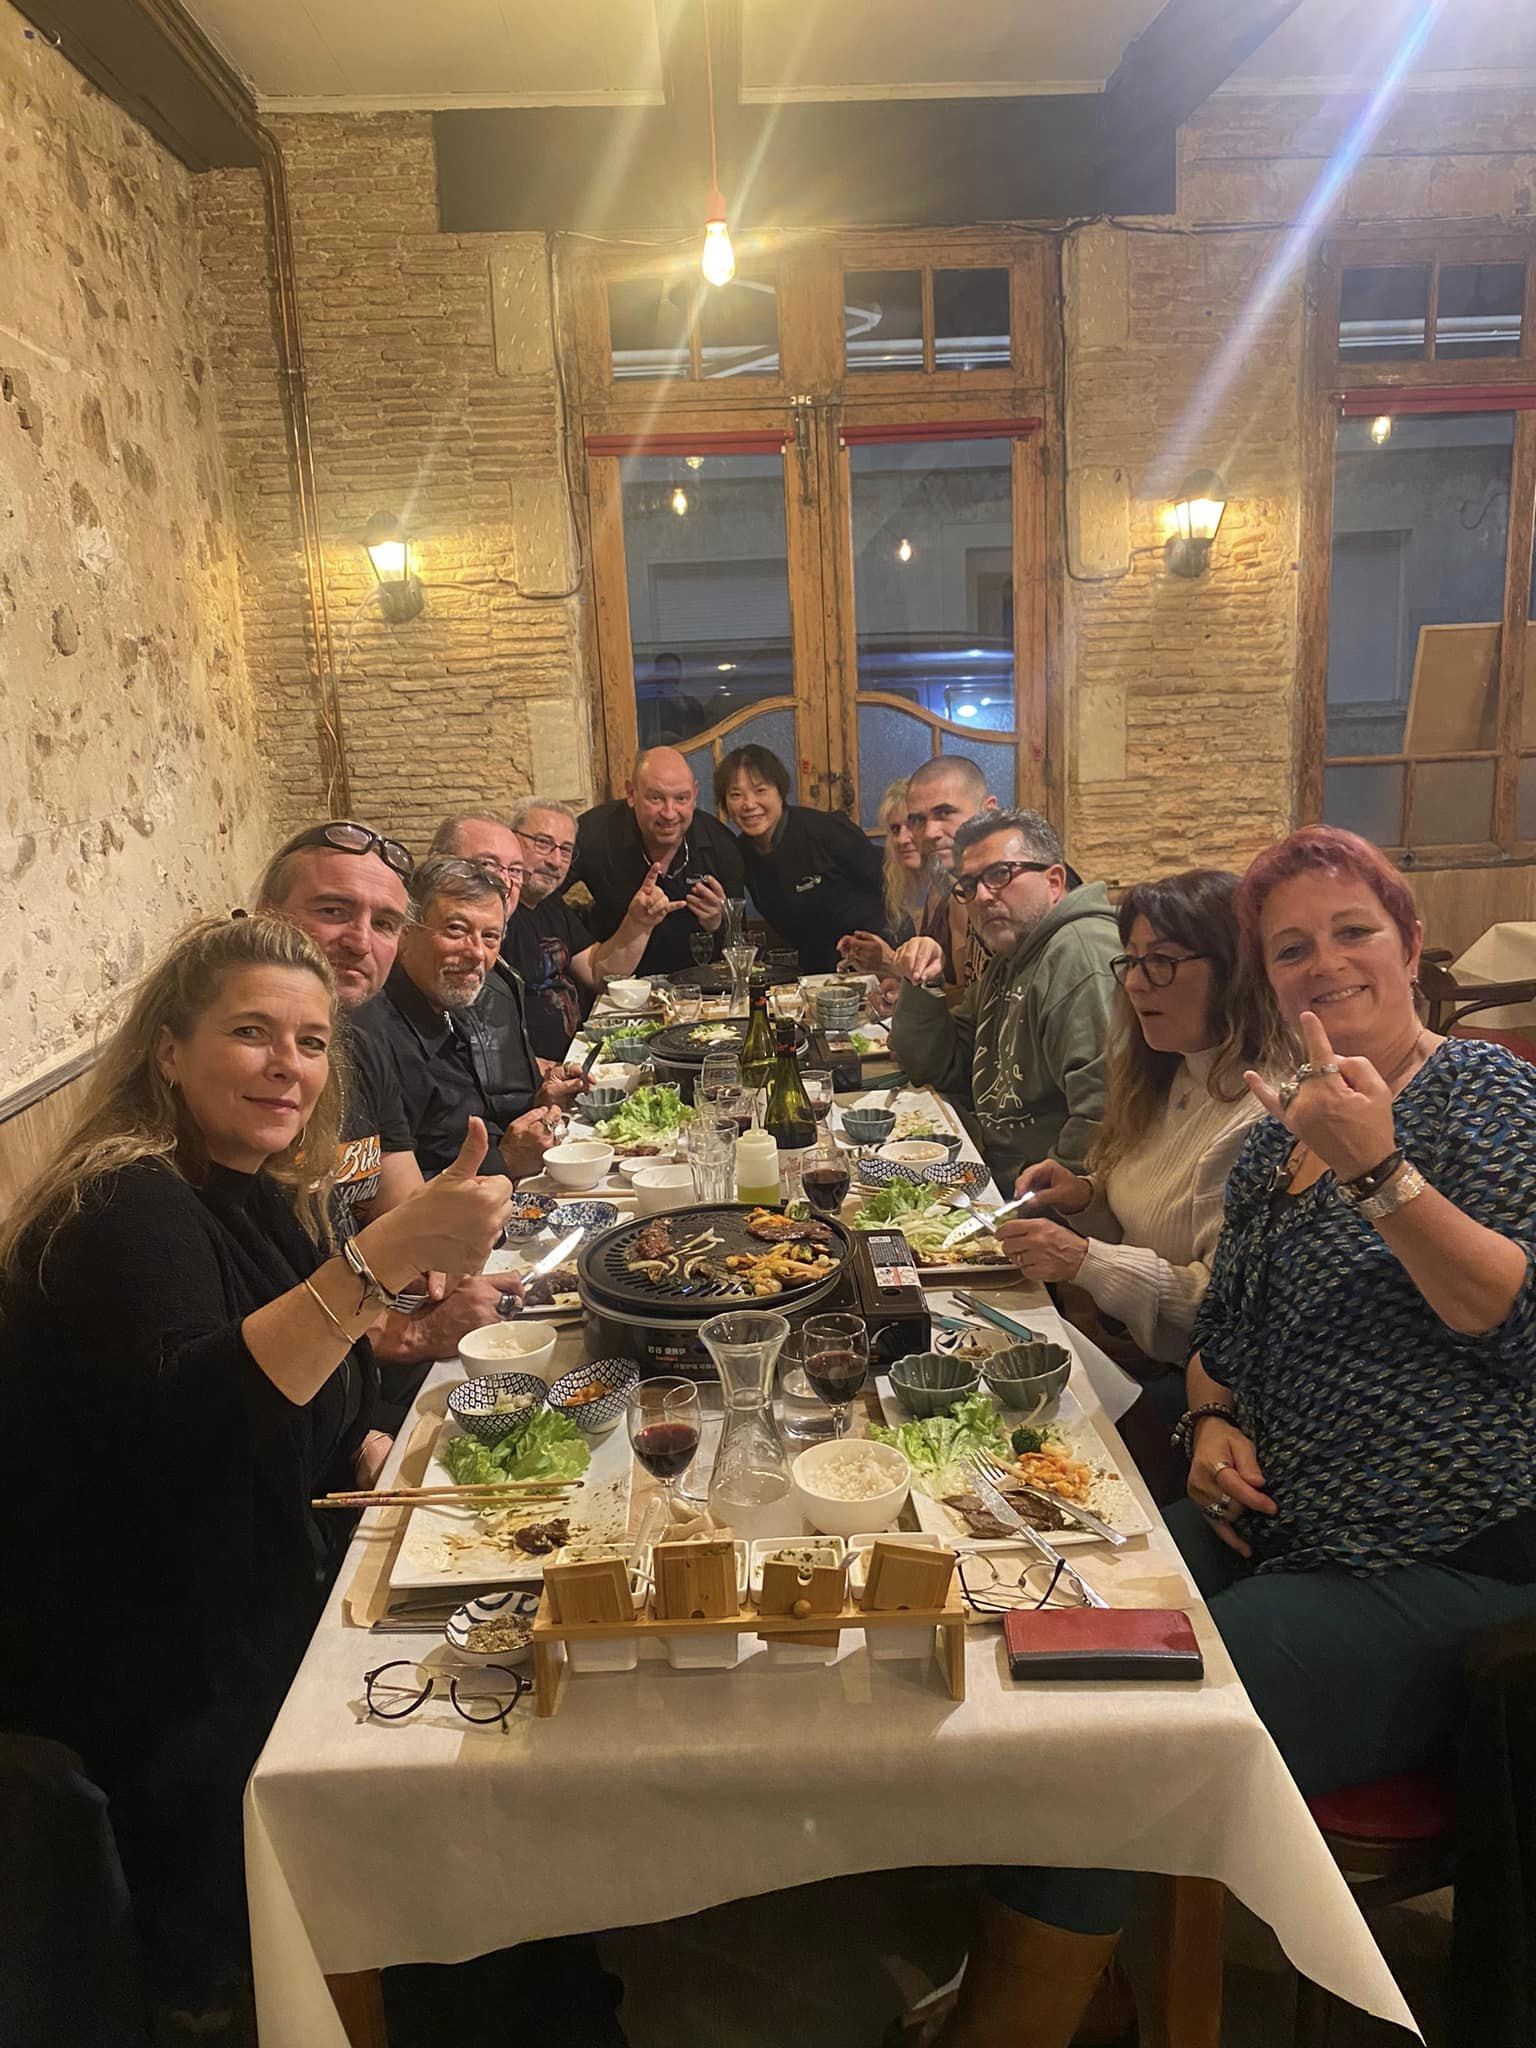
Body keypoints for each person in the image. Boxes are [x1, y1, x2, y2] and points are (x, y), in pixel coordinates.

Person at [919, 826, 1536, 2048]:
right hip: (1272, 1521)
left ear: (1411, 944)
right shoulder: (1275, 1136)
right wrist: (1208, 1416)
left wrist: (1381, 1172)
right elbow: (1222, 1329)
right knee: (1033, 1648)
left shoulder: (1486, 1093)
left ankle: (1012, 2022)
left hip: (1442, 1560)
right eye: (1292, 947)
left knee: (1123, 1723)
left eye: (1353, 931)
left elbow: (1507, 1312)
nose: (1326, 962)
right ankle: (1080, 1989)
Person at [0, 915, 510, 2032]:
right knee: (478, 1766)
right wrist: (384, 1255)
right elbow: (202, 1428)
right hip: (161, 1673)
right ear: (168, 1051)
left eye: (313, 1042)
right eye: (251, 1033)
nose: (290, 1065)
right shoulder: (121, 1205)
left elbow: (317, 1405)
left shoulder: (248, 1190)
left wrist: (386, 1458)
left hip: (255, 1592)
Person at [256, 820, 523, 1424]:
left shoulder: (360, 1042)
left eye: (383, 923)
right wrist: (411, 1335)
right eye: (333, 910)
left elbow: (407, 1218)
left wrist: (449, 1255)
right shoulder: (245, 1097)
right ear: (266, 920)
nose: (360, 940)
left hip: (350, 1372)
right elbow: (259, 1320)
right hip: (312, 1396)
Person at [997, 869, 1263, 1363]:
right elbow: (1143, 1225)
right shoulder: (1172, 1071)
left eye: (1162, 962)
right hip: (1130, 1349)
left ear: (1235, 969)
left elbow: (1219, 1308)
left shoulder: (1258, 1114)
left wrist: (1084, 1260)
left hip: (1192, 1378)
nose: (1136, 984)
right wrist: (1085, 1197)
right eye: (1133, 961)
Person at [889, 808, 1118, 1184]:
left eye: (1000, 874)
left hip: (1035, 1196)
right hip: (987, 1168)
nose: (981, 896)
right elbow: (941, 1067)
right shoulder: (1010, 956)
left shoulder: (1080, 953)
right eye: (968, 884)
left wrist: (1035, 1201)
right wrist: (922, 984)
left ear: (1054, 881)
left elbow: (1105, 1114)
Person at [354, 856, 581, 1180]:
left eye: (490, 937)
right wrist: (504, 1161)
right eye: (456, 929)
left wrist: (540, 1104)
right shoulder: (370, 1036)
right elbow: (374, 1193)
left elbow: (465, 1125)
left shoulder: (448, 1002)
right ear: (405, 931)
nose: (476, 952)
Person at [432, 804, 682, 1060]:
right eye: (543, 843)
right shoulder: (493, 922)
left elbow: (598, 971)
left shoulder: (551, 905)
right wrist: (537, 1072)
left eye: (566, 850)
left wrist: (639, 923)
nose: (554, 861)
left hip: (575, 1056)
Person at [566, 747, 739, 977]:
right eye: (656, 798)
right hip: (617, 984)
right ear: (631, 793)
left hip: (700, 987)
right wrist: (580, 947)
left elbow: (739, 943)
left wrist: (718, 922)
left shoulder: (721, 844)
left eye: (681, 798)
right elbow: (543, 897)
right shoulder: (593, 833)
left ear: (695, 795)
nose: (669, 813)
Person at [716, 743, 887, 973]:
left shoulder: (824, 831)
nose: (749, 804)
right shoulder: (740, 854)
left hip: (874, 961)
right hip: (813, 972)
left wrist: (890, 958)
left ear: (780, 791)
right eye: (736, 795)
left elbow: (889, 882)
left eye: (760, 790)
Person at [906, 756, 999, 991]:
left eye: (945, 813)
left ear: (988, 812)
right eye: (918, 820)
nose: (929, 832)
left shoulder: (1021, 887)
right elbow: (968, 1001)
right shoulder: (956, 886)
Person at [836, 779, 929, 975]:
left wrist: (889, 961)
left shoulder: (954, 893)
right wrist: (877, 965)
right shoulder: (898, 885)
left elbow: (959, 987)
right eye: (895, 829)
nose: (902, 839)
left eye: (912, 825)